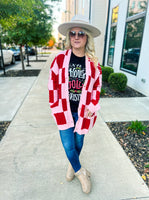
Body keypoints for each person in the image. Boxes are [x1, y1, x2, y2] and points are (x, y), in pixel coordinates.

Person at [48, 15, 102, 194]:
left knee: (78, 144)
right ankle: (81, 173)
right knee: (68, 146)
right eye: (73, 33)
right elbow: (52, 86)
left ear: (87, 37)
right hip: (64, 111)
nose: (76, 37)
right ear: (69, 37)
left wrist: (93, 106)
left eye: (81, 33)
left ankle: (73, 167)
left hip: (83, 114)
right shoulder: (59, 60)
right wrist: (55, 107)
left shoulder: (94, 64)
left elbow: (96, 87)